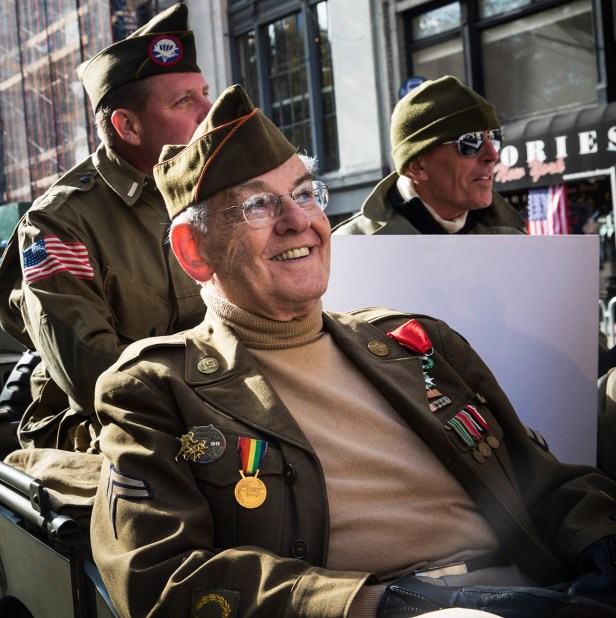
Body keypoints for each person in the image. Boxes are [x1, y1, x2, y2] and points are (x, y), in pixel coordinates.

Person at [90, 85, 616, 617]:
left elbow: (544, 480)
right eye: (257, 205)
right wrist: (387, 607)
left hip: (541, 592)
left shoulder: (416, 341)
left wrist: (604, 545)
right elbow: (162, 581)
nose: (298, 221)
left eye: (303, 193)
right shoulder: (155, 388)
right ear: (193, 251)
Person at [0, 2, 212, 450]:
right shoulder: (59, 224)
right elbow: (95, 376)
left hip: (221, 406)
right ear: (127, 126)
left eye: (205, 92)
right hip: (110, 429)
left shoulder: (217, 191)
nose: (210, 110)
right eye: (185, 100)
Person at [332, 75, 525, 235]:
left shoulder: (513, 241)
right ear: (417, 166)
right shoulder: (350, 248)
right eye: (470, 142)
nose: (492, 155)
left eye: (494, 138)